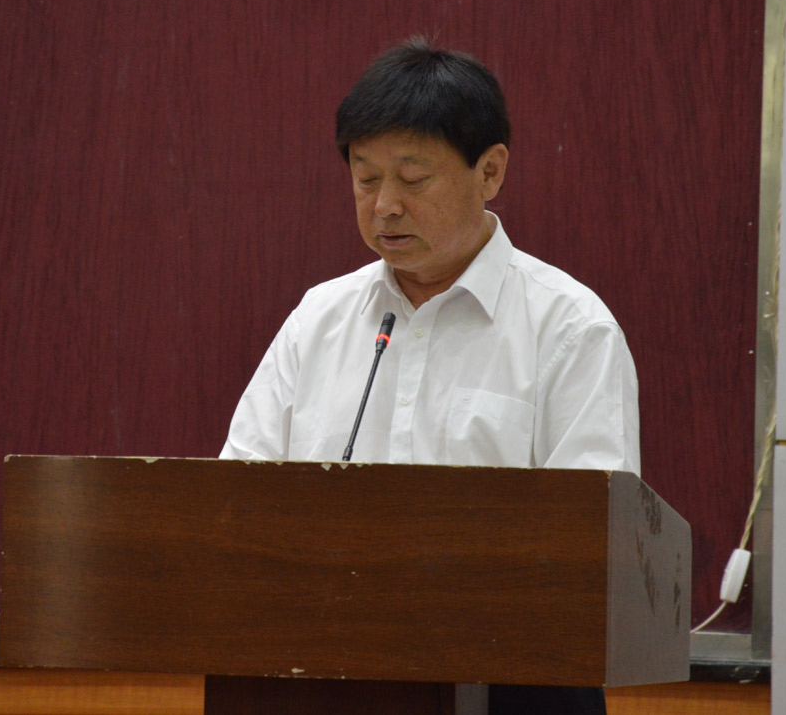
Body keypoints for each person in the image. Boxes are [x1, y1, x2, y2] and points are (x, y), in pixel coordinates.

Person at [221, 37, 639, 714]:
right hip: (322, 677)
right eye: (365, 179)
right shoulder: (319, 320)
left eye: (413, 179)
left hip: (514, 688)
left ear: (490, 171)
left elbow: (594, 553)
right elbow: (233, 507)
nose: (385, 205)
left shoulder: (569, 329)